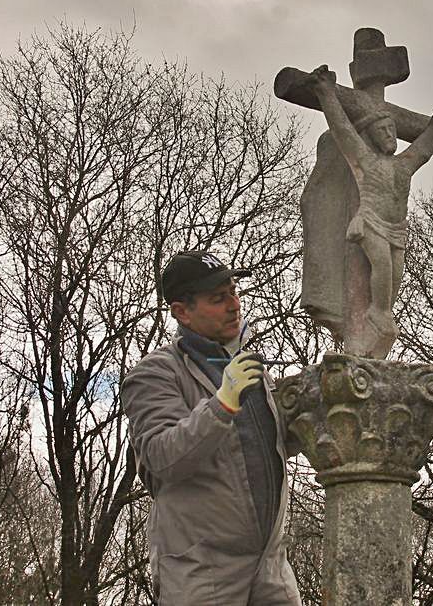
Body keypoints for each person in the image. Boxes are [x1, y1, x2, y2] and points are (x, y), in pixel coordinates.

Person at [121, 250, 302, 605]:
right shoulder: (154, 374)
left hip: (270, 566)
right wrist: (222, 404)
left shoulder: (252, 373)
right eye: (218, 299)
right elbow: (162, 456)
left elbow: (273, 446)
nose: (234, 305)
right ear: (181, 311)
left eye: (234, 292)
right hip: (202, 572)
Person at [306, 64, 433, 346]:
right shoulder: (366, 159)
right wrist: (327, 94)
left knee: (393, 280)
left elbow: (422, 150)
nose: (389, 135)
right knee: (383, 269)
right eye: (382, 131)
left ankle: (381, 312)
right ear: (372, 136)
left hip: (397, 229)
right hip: (371, 222)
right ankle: (378, 313)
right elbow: (343, 131)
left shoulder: (403, 166)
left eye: (391, 130)